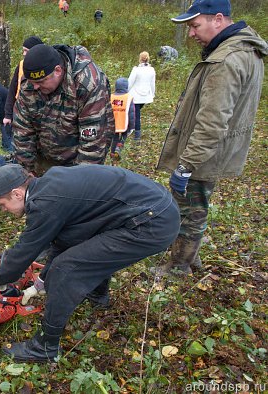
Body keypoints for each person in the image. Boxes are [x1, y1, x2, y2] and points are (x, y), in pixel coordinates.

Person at [0, 164, 179, 362]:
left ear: (16, 193)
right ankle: (97, 296)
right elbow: (65, 240)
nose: (3, 210)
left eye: (2, 204)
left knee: (65, 269)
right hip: (155, 208)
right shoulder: (50, 186)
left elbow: (26, 249)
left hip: (152, 222)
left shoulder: (44, 203)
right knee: (87, 250)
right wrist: (42, 279)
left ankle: (45, 347)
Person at [155, 0, 266, 276]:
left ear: (218, 19)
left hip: (203, 153)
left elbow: (212, 121)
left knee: (189, 211)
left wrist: (186, 164)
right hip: (216, 149)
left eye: (195, 25)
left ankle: (178, 267)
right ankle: (191, 258)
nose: (192, 33)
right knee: (197, 208)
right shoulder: (242, 51)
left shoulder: (225, 60)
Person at [13, 43, 114, 175]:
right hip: (45, 154)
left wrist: (75, 182)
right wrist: (28, 172)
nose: (35, 87)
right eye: (33, 82)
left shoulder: (88, 84)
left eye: (41, 82)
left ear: (58, 71)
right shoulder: (31, 82)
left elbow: (92, 147)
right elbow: (22, 131)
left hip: (79, 157)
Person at [3, 36, 43, 130]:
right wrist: (8, 115)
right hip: (20, 108)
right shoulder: (21, 65)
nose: (24, 54)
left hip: (39, 110)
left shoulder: (46, 66)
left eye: (26, 51)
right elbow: (12, 89)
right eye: (23, 50)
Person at [128, 51, 155, 142]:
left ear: (140, 59)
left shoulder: (136, 69)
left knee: (136, 115)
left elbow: (130, 82)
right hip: (145, 96)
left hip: (135, 96)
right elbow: (152, 84)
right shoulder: (152, 70)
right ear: (148, 58)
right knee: (136, 113)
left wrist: (125, 92)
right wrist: (152, 94)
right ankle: (133, 130)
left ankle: (137, 135)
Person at [109, 77, 135, 162]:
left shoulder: (111, 97)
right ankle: (119, 147)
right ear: (126, 87)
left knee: (114, 137)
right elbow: (131, 113)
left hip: (113, 122)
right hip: (124, 122)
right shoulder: (128, 97)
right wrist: (132, 126)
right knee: (124, 134)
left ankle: (112, 153)